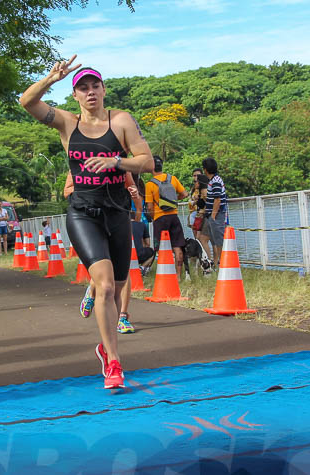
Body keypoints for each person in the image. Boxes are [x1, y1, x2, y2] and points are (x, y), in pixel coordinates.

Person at [21, 58, 153, 389]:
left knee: (120, 286)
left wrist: (115, 160)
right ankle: (113, 363)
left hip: (117, 213)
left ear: (104, 90)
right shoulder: (67, 123)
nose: (91, 91)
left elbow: (147, 162)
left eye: (95, 85)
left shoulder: (121, 121)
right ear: (75, 95)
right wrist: (50, 78)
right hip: (82, 212)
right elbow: (27, 102)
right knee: (107, 287)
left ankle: (104, 343)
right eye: (83, 87)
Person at [66, 167, 143, 334]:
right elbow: (68, 191)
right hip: (94, 220)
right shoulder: (81, 162)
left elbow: (135, 193)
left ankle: (122, 316)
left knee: (123, 271)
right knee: (106, 268)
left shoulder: (124, 164)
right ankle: (92, 291)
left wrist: (137, 208)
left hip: (120, 218)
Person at [145, 156, 190, 279]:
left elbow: (149, 207)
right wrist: (173, 201)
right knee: (178, 247)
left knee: (161, 248)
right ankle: (178, 276)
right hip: (174, 216)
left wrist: (154, 217)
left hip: (160, 218)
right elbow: (185, 194)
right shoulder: (172, 179)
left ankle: (165, 274)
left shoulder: (150, 184)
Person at [202, 157, 229, 268]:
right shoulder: (214, 181)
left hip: (217, 215)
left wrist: (213, 215)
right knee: (215, 240)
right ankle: (218, 263)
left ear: (205, 170)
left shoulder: (216, 181)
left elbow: (217, 199)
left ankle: (223, 264)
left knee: (219, 240)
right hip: (212, 215)